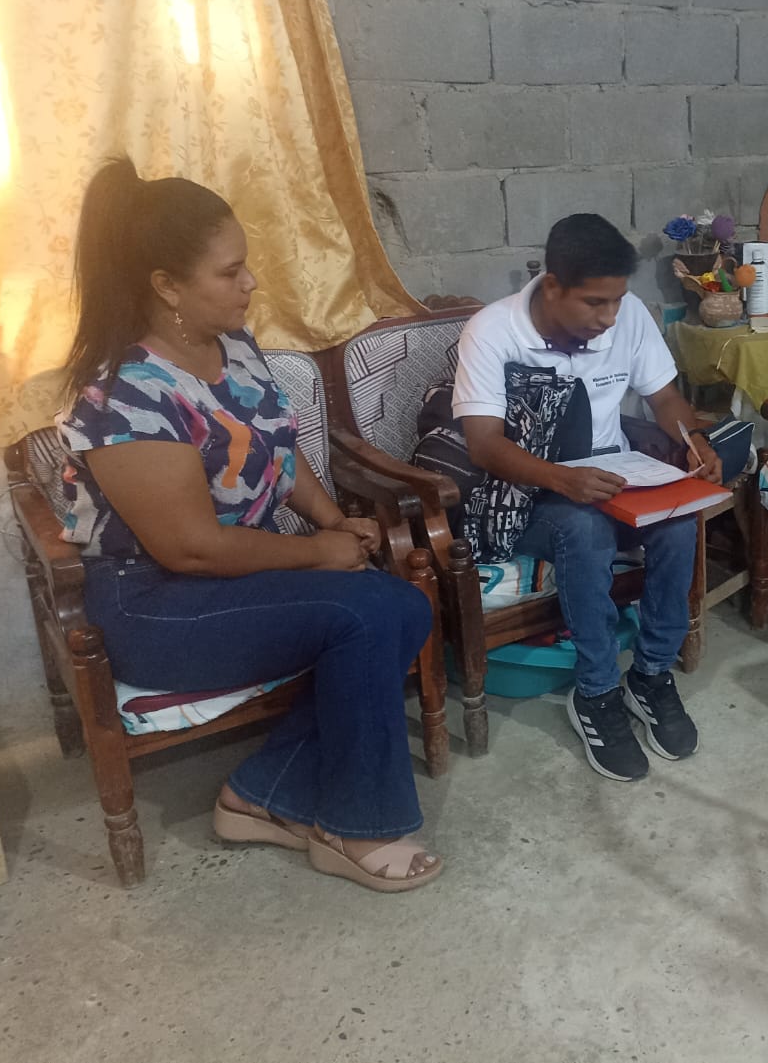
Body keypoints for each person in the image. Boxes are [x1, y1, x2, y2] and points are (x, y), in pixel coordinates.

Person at [57, 158, 442, 893]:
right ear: (167, 285)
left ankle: (259, 794)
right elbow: (192, 549)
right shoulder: (125, 395)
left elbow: (278, 452)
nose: (251, 283)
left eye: (246, 266)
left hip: (236, 576)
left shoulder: (233, 348)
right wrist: (320, 555)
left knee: (404, 605)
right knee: (367, 615)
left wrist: (336, 520)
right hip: (154, 603)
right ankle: (357, 825)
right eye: (230, 272)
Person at [452, 213, 726, 782]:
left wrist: (692, 440)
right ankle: (597, 692)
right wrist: (561, 479)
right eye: (594, 303)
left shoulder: (628, 318)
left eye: (617, 301)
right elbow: (483, 444)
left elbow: (664, 399)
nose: (609, 318)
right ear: (553, 286)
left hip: (615, 479)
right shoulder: (492, 330)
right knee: (583, 528)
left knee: (679, 522)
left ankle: (650, 675)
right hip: (529, 494)